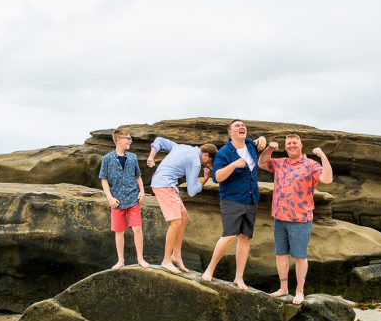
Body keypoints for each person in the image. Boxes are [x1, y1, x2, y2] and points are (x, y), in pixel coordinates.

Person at [258, 134, 333, 304]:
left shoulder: (311, 165)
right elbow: (262, 163)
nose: (292, 146)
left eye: (295, 143)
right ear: (285, 147)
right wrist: (270, 149)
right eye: (289, 143)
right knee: (281, 254)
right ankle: (283, 288)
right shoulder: (280, 163)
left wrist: (322, 156)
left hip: (301, 219)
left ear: (301, 145)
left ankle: (299, 291)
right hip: (280, 217)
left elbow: (327, 179)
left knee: (300, 256)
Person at [201, 120, 266, 290]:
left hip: (251, 199)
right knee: (229, 235)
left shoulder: (250, 145)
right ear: (230, 132)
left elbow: (260, 141)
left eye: (243, 125)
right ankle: (209, 269)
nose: (241, 127)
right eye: (237, 126)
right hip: (232, 199)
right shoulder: (223, 153)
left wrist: (263, 140)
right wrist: (234, 164)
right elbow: (217, 177)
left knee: (244, 237)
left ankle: (239, 278)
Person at [147, 137, 217, 274]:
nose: (205, 165)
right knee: (176, 221)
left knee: (184, 217)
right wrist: (204, 180)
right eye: (207, 162)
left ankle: (176, 256)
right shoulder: (196, 162)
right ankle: (166, 260)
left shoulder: (182, 146)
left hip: (165, 184)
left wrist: (151, 157)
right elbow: (191, 191)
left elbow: (159, 140)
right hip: (164, 185)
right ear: (206, 155)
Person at [99, 128, 148, 270]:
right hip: (117, 201)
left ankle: (140, 259)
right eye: (128, 138)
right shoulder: (107, 159)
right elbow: (104, 179)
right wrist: (109, 197)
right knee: (119, 231)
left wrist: (142, 192)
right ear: (119, 140)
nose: (130, 141)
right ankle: (120, 261)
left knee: (137, 228)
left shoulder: (133, 157)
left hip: (133, 199)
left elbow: (138, 176)